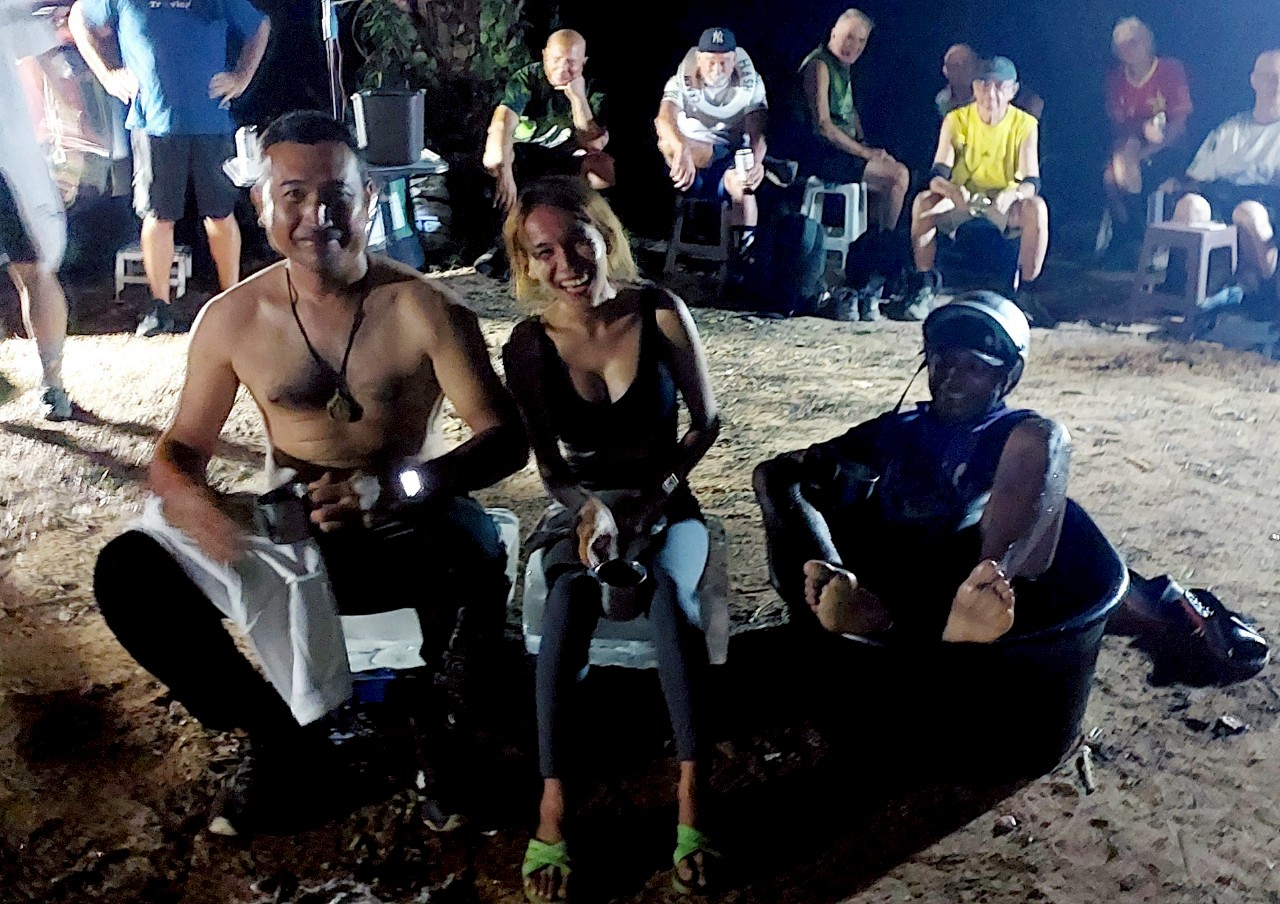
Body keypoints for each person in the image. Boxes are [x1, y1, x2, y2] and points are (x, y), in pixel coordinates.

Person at [91, 111, 529, 834]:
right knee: (129, 571)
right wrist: (194, 505)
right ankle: (279, 737)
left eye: (336, 195)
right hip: (293, 534)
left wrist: (395, 489)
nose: (315, 216)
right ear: (262, 205)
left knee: (473, 545)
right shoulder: (235, 318)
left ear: (370, 200)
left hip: (404, 525)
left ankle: (440, 726)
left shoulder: (425, 309)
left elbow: (504, 439)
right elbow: (178, 451)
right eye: (293, 195)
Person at [500, 176, 721, 900]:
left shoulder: (658, 312)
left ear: (604, 236)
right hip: (583, 508)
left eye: (578, 240)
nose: (566, 262)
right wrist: (588, 509)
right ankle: (553, 806)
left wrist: (655, 498)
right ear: (527, 263)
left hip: (665, 503)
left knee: (669, 601)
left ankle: (692, 798)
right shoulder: (528, 347)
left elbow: (706, 423)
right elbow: (551, 468)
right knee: (568, 598)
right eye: (544, 251)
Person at [754, 292, 1066, 644]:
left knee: (1046, 436)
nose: (952, 379)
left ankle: (982, 598)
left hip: (965, 585)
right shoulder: (900, 427)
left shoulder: (1016, 433)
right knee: (775, 474)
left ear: (1008, 376)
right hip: (890, 582)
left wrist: (991, 574)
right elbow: (796, 467)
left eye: (974, 368)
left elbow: (1036, 485)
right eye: (943, 362)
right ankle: (844, 597)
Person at [69, 0, 270, 336]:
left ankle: (230, 298)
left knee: (220, 214)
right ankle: (160, 307)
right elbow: (80, 18)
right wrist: (107, 74)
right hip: (153, 122)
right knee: (158, 215)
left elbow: (259, 26)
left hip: (211, 121)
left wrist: (242, 77)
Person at [905, 56, 1048, 322]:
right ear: (974, 87)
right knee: (924, 203)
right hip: (964, 198)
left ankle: (1026, 293)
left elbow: (1032, 181)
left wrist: (1014, 194)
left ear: (1013, 91)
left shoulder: (1025, 124)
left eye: (999, 86)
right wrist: (952, 191)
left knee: (1037, 208)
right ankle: (924, 286)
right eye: (984, 85)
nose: (991, 94)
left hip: (1002, 201)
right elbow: (937, 175)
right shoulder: (956, 119)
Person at [476, 28, 613, 279]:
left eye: (571, 62)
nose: (562, 69)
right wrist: (503, 169)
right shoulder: (528, 79)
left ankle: (593, 243)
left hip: (566, 160)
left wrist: (578, 99)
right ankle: (504, 249)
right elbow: (502, 122)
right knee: (495, 161)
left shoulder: (593, 87)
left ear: (583, 62)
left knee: (602, 170)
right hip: (525, 157)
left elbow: (593, 143)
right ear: (544, 56)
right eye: (556, 60)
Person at [1160, 50, 1280, 309]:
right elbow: (1196, 175)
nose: (1276, 85)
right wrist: (1180, 187)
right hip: (1223, 196)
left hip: (1268, 204)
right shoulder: (1230, 129)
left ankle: (1264, 292)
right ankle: (1181, 291)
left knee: (1248, 212)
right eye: (1269, 77)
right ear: (1254, 81)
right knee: (1190, 205)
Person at [0, 0, 74, 420]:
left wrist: (69, 128)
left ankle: (52, 382)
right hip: (12, 158)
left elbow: (42, 37)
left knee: (35, 268)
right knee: (35, 270)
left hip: (7, 161)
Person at [655, 26, 768, 257]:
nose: (717, 69)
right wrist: (681, 148)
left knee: (744, 188)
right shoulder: (679, 81)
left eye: (724, 62)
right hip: (688, 163)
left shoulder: (752, 83)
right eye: (711, 62)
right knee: (666, 143)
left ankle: (742, 253)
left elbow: (759, 131)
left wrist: (756, 162)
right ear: (699, 59)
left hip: (728, 158)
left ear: (734, 59)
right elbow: (663, 119)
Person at [797, 9, 910, 234]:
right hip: (822, 154)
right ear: (834, 34)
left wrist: (865, 143)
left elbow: (848, 110)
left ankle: (868, 240)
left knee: (891, 168)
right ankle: (883, 244)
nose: (855, 46)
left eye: (861, 40)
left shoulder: (842, 66)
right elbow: (823, 126)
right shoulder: (819, 66)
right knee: (897, 176)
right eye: (849, 37)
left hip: (844, 151)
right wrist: (865, 153)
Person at [1101, 18, 1192, 259]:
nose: (1128, 49)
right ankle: (1129, 235)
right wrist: (1141, 132)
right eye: (1122, 45)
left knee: (1129, 170)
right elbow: (1119, 124)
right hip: (1131, 145)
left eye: (1134, 42)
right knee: (1110, 177)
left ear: (1148, 42)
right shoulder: (1116, 79)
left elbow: (1179, 123)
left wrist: (1148, 151)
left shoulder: (1170, 70)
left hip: (1169, 146)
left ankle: (1144, 239)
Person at [936, 43, 1044, 120]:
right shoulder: (942, 102)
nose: (962, 69)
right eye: (955, 65)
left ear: (976, 65)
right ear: (945, 71)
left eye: (966, 63)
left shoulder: (994, 86)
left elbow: (1034, 103)